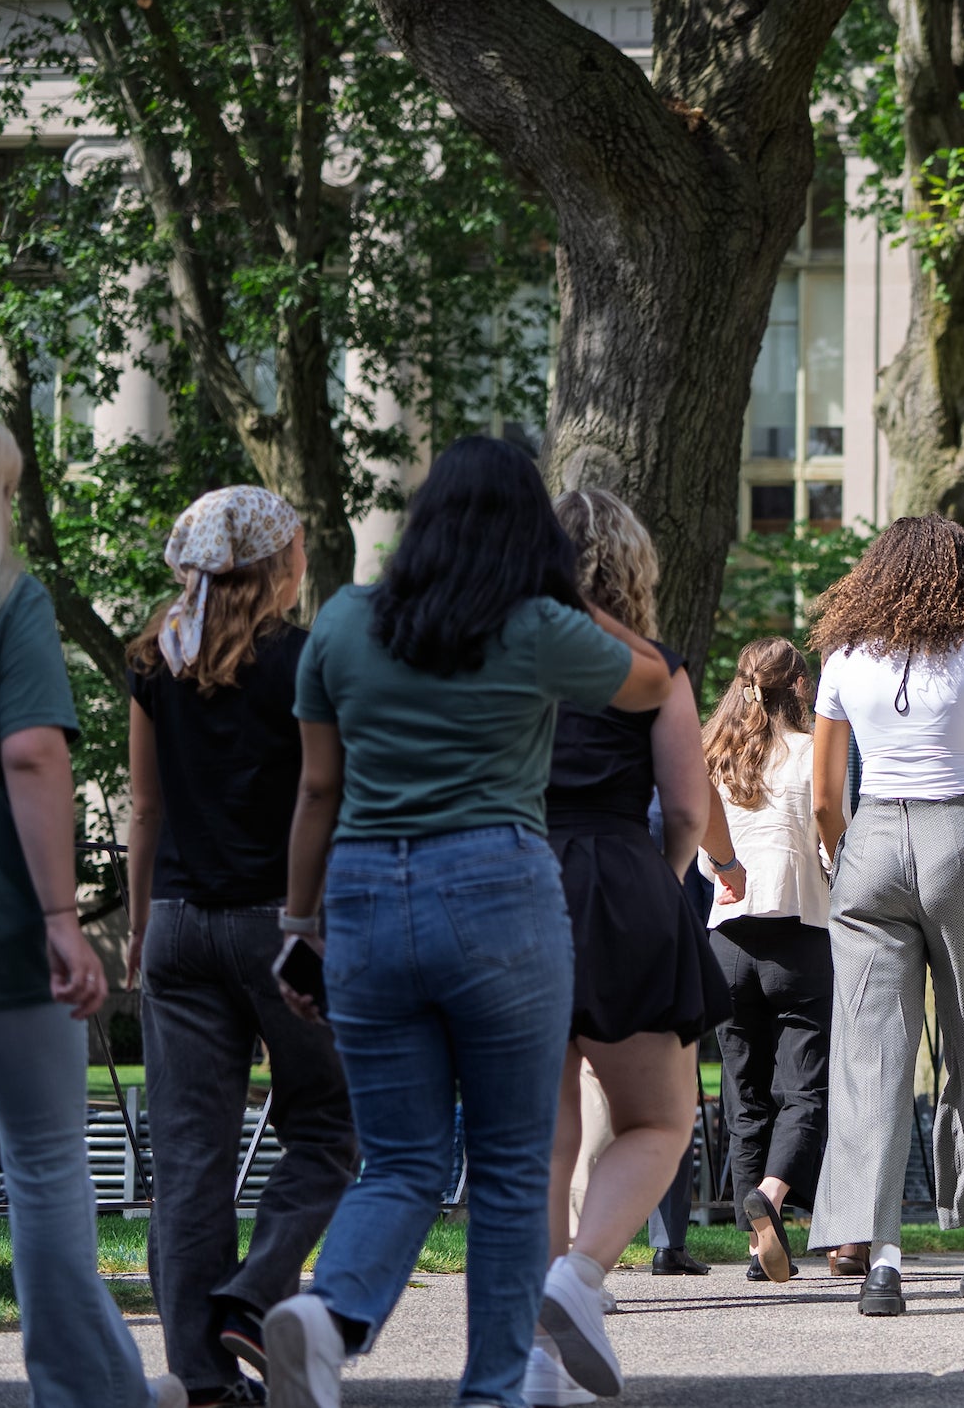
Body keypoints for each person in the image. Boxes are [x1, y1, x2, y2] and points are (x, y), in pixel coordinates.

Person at [265, 436, 672, 1408]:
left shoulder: (346, 622)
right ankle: (491, 1388)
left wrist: (299, 922)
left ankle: (330, 1315)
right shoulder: (538, 624)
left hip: (363, 892)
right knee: (507, 1159)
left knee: (401, 1154)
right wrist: (576, 590)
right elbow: (651, 678)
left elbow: (318, 789)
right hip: (499, 890)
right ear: (528, 531)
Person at [127, 488, 357, 1407]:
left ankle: (200, 1377)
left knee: (189, 1156)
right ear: (274, 565)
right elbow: (321, 793)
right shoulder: (303, 660)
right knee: (332, 1125)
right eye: (297, 548)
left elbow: (143, 807)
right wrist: (313, 918)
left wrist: (142, 924)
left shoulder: (155, 657)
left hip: (178, 921)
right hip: (278, 921)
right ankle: (256, 1294)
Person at [0, 415, 184, 1408]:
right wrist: (64, 917)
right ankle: (89, 1388)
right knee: (49, 1164)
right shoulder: (6, 603)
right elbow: (33, 753)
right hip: (1, 935)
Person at [525, 489, 737, 1403]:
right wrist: (654, 873)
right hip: (618, 881)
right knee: (659, 1118)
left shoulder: (502, 655)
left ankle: (531, 1356)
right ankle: (579, 1276)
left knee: (541, 1134)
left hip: (513, 878)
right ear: (632, 564)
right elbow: (688, 808)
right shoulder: (651, 665)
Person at [803, 515, 964, 1317]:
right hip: (959, 835)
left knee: (871, 1057)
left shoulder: (842, 659)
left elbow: (826, 795)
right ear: (960, 576)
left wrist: (845, 856)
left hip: (868, 841)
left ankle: (880, 1258)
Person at [702, 637, 848, 1283]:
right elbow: (826, 826)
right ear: (798, 686)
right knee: (804, 1084)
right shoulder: (808, 752)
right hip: (798, 929)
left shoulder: (720, 752)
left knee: (745, 1092)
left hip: (728, 936)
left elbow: (704, 844)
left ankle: (757, 1244)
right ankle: (776, 1192)